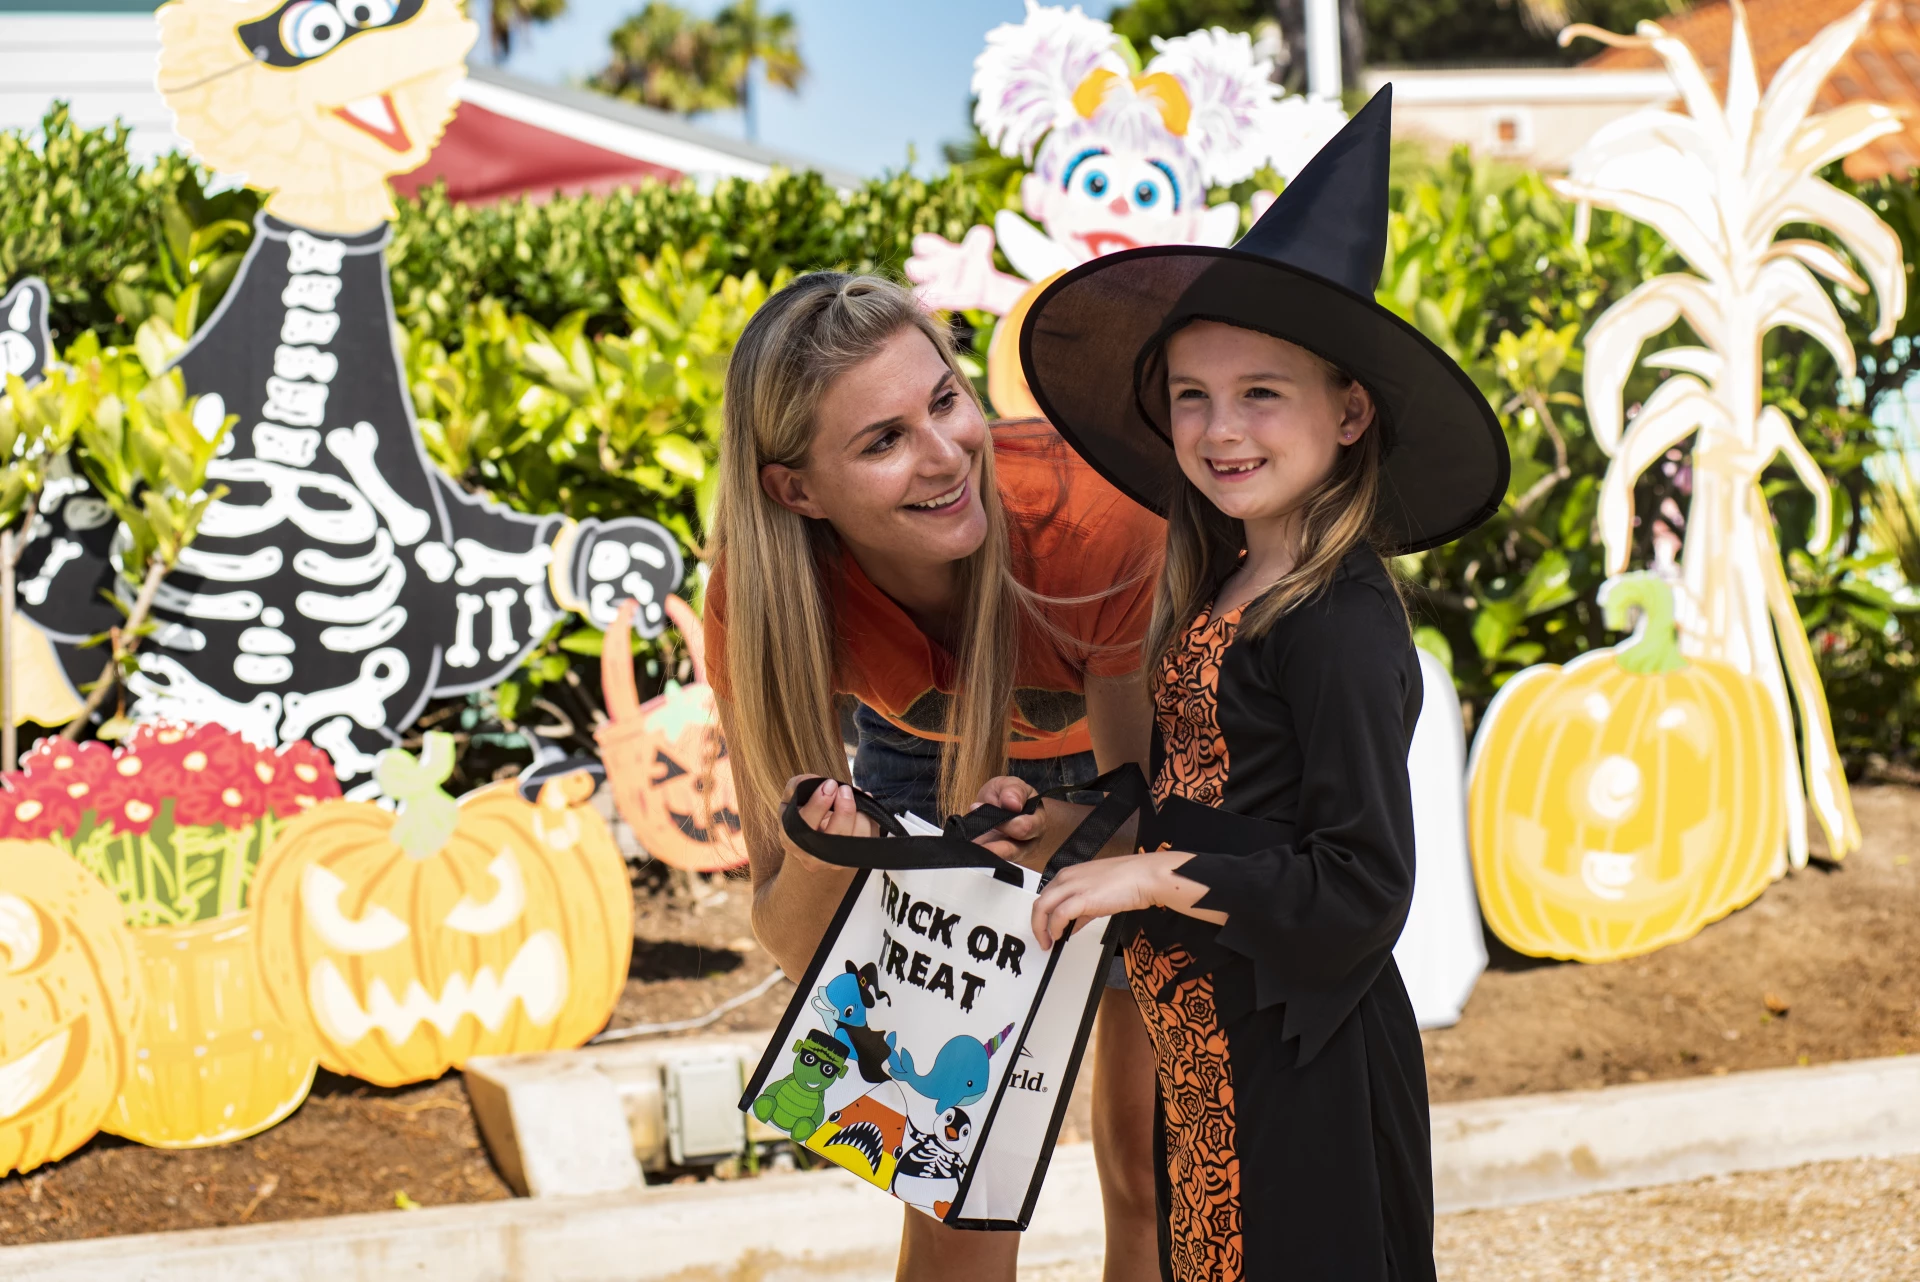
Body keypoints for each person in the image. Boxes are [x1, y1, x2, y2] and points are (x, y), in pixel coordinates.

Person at [1006, 87, 1510, 1280]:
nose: (1219, 428)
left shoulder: (1337, 620)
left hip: (1305, 1069)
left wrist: (1153, 874)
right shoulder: (1225, 585)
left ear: (1350, 413)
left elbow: (1358, 883)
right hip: (1218, 1050)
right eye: (1192, 395)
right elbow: (1219, 810)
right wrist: (1077, 829)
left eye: (1260, 394)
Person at [703, 270, 1165, 1282]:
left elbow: (1145, 833)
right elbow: (785, 933)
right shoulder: (768, 594)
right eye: (882, 440)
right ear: (796, 489)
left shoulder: (1088, 521)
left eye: (946, 402)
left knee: (1150, 1164)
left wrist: (1051, 830)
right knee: (956, 1167)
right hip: (927, 766)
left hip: (1135, 784)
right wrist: (844, 860)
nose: (946, 453)